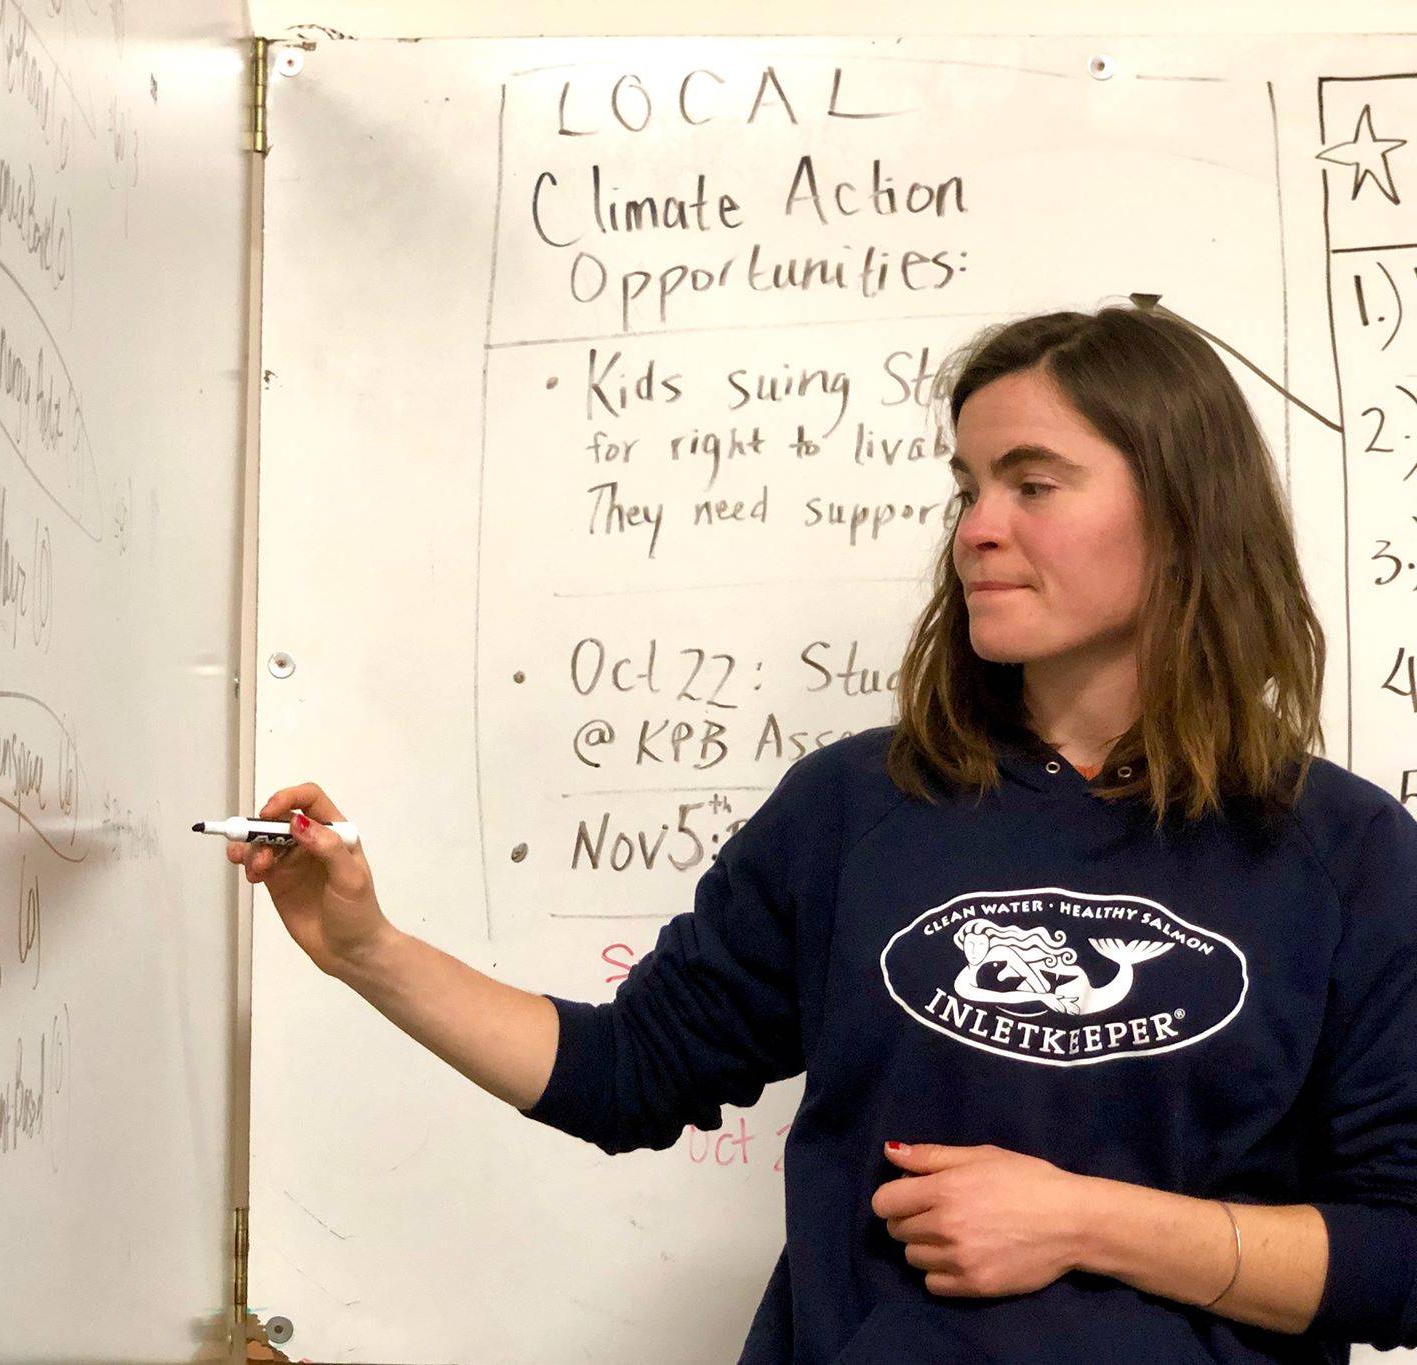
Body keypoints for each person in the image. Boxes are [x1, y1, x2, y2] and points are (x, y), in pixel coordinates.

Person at [223, 304, 1417, 1362]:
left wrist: (1087, 1221)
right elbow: (623, 1075)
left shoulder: (1343, 853)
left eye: (1032, 484)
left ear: (1181, 513)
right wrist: (364, 948)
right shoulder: (858, 808)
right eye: (967, 488)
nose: (976, 529)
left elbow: (1401, 1259)